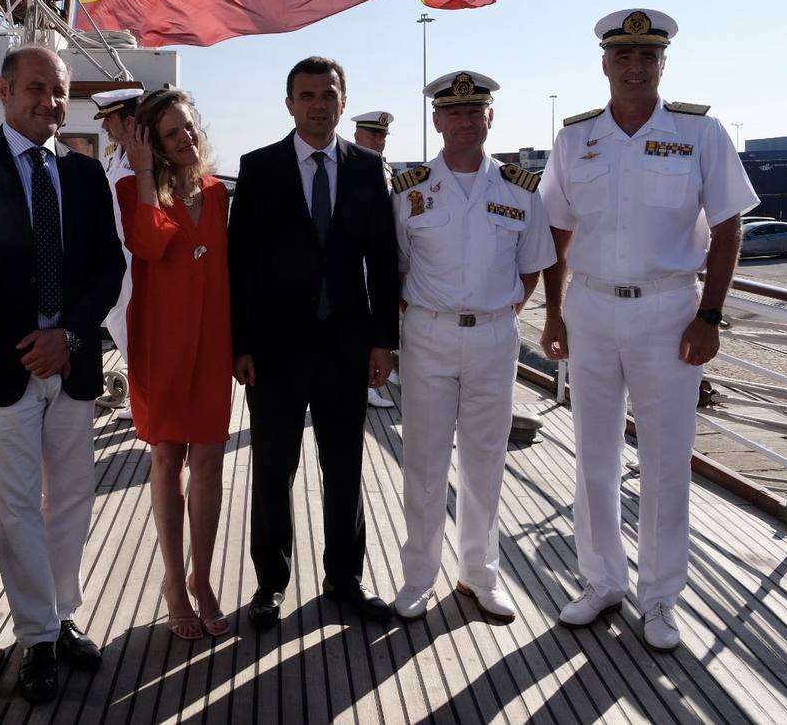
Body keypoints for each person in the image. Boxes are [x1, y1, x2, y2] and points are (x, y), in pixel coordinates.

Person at [538, 9, 758, 652]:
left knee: (665, 460)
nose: (634, 67)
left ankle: (660, 598)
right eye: (623, 56)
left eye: (647, 57)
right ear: (605, 64)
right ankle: (602, 580)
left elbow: (728, 226)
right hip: (592, 308)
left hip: (669, 311)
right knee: (594, 457)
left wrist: (710, 314)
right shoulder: (575, 138)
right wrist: (553, 312)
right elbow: (557, 230)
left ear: (662, 64)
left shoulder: (700, 132)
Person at [0, 46, 126, 704]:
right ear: (4, 92)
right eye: (36, 88)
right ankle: (38, 638)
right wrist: (31, 340)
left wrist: (65, 335)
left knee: (71, 500)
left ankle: (61, 616)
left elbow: (108, 269)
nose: (50, 102)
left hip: (69, 362)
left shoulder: (85, 174)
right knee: (15, 508)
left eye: (59, 92)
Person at [229, 56, 400, 629]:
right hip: (276, 350)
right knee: (274, 469)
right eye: (307, 95)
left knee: (345, 467)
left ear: (343, 101)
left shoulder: (366, 168)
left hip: (346, 347)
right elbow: (242, 264)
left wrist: (384, 343)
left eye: (328, 94)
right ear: (289, 104)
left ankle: (345, 578)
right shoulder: (259, 168)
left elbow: (381, 260)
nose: (318, 104)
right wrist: (242, 344)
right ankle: (270, 584)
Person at [391, 71, 556, 623]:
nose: (464, 121)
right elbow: (396, 268)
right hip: (428, 334)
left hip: (493, 335)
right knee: (424, 458)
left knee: (486, 460)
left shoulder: (519, 189)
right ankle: (418, 576)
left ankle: (479, 575)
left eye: (474, 112)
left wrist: (499, 310)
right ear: (437, 121)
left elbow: (531, 268)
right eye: (453, 113)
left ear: (490, 118)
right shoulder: (409, 191)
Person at [117, 89, 233, 641]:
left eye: (189, 127)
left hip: (212, 341)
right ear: (152, 144)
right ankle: (171, 579)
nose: (187, 138)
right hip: (161, 342)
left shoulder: (218, 194)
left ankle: (202, 578)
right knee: (168, 458)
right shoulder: (132, 192)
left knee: (209, 461)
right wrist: (144, 175)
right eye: (172, 133)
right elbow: (146, 244)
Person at [93, 87, 145, 421]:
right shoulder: (116, 157)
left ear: (128, 121)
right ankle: (143, 398)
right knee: (119, 321)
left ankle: (148, 401)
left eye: (108, 120)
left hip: (137, 257)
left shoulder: (147, 158)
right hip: (117, 256)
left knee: (132, 325)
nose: (104, 128)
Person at [353, 109, 398, 409]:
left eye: (382, 135)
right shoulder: (351, 167)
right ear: (357, 135)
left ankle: (386, 371)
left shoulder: (385, 168)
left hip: (381, 253)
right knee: (363, 317)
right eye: (372, 134)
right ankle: (364, 386)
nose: (378, 140)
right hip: (358, 256)